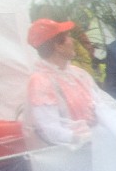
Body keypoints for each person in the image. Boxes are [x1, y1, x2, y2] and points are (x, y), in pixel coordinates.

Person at [25, 19, 97, 147]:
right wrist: (80, 138)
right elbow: (49, 128)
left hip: (94, 146)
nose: (72, 40)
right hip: (69, 153)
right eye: (68, 37)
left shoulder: (77, 74)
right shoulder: (41, 81)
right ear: (58, 46)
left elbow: (102, 105)